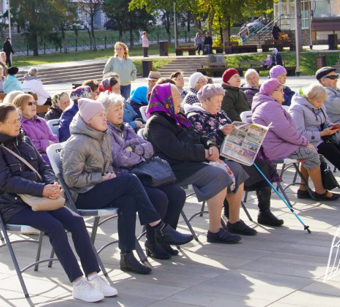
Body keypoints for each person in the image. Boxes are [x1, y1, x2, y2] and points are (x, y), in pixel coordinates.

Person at [0, 104, 116, 303]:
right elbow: (7, 182)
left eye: (19, 120)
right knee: (55, 227)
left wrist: (50, 184)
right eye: (14, 122)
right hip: (13, 206)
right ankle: (78, 282)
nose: (19, 124)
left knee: (76, 222)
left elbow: (43, 166)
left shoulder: (24, 141)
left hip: (41, 199)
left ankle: (94, 276)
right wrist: (41, 189)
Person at [62, 98, 192, 274]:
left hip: (99, 187)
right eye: (99, 115)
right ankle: (159, 226)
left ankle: (127, 256)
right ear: (87, 120)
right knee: (130, 180)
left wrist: (106, 176)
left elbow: (115, 160)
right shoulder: (77, 143)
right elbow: (71, 179)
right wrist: (101, 178)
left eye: (103, 114)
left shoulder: (102, 135)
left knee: (128, 201)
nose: (104, 118)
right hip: (82, 195)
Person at [145, 84, 247, 244]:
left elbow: (200, 134)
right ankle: (215, 230)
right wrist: (205, 153)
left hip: (193, 161)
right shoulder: (157, 123)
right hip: (175, 167)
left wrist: (211, 145)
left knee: (236, 169)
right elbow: (176, 150)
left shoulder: (178, 116)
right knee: (217, 175)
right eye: (176, 97)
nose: (180, 99)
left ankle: (234, 221)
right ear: (166, 100)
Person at [99, 92, 189, 258]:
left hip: (143, 173)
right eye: (116, 110)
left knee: (177, 193)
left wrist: (133, 149)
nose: (121, 112)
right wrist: (137, 152)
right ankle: (152, 242)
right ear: (104, 113)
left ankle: (165, 239)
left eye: (121, 108)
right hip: (126, 179)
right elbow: (119, 159)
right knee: (159, 197)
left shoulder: (126, 128)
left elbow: (149, 148)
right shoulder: (106, 133)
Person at [186, 84, 282, 226]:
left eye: (221, 101)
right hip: (217, 156)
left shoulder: (221, 113)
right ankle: (230, 213)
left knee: (263, 163)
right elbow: (202, 139)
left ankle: (264, 211)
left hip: (233, 150)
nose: (219, 105)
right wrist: (220, 133)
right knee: (239, 168)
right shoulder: (195, 117)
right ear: (205, 101)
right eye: (216, 101)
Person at [252, 79, 340, 201]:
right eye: (280, 90)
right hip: (272, 148)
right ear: (271, 93)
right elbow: (286, 131)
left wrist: (304, 143)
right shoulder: (269, 106)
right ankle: (320, 191)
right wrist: (305, 142)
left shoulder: (269, 104)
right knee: (311, 152)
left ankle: (303, 189)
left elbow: (286, 131)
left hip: (276, 144)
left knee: (308, 152)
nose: (283, 93)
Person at [15, 93, 57, 162]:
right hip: (35, 158)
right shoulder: (19, 124)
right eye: (30, 103)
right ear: (20, 107)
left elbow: (53, 138)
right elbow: (26, 145)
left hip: (50, 154)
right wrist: (46, 143)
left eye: (34, 103)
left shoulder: (41, 121)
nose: (34, 106)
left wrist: (53, 144)